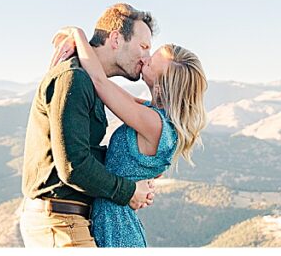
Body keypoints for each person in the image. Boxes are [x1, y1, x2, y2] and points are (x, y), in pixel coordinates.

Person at [49, 23, 208, 248]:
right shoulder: (153, 115)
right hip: (113, 220)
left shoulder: (154, 124)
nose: (144, 59)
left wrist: (78, 34)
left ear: (162, 87)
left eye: (151, 62)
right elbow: (117, 94)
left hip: (118, 229)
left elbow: (100, 82)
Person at [19, 3, 158, 248]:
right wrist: (128, 191)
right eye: (144, 46)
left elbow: (85, 151)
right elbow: (74, 166)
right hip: (59, 223)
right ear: (116, 38)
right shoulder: (74, 78)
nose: (147, 57)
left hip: (68, 221)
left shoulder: (91, 82)